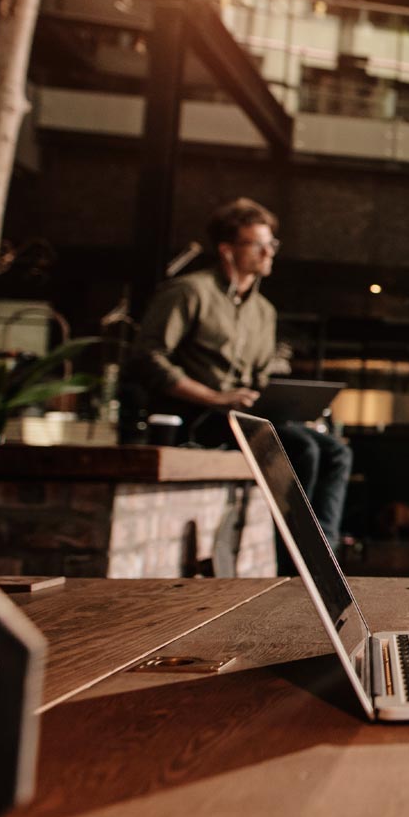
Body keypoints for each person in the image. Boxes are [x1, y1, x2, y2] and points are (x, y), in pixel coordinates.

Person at [131, 198, 354, 552]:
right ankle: (292, 553)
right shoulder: (190, 291)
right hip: (200, 416)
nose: (269, 252)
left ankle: (323, 551)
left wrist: (288, 403)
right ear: (227, 250)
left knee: (337, 452)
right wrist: (215, 397)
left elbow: (261, 377)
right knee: (303, 449)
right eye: (258, 244)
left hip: (246, 417)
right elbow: (147, 358)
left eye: (272, 243)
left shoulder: (263, 311)